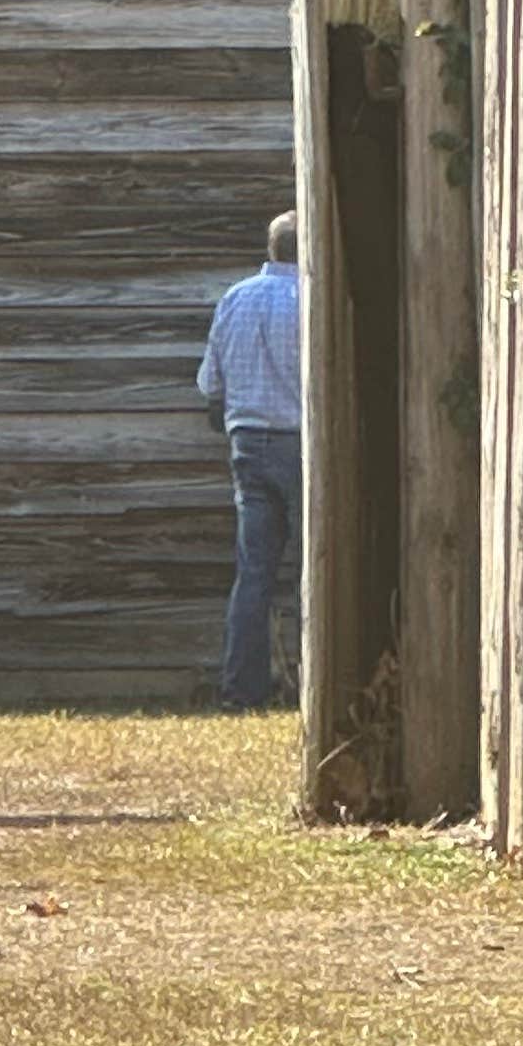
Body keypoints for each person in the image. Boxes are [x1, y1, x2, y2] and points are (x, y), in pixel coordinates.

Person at [198, 210, 302, 712]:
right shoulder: (311, 300)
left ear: (271, 248)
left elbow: (209, 384)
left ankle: (242, 690)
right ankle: (314, 681)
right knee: (314, 567)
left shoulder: (234, 298)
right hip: (299, 442)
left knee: (254, 572)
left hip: (247, 443)